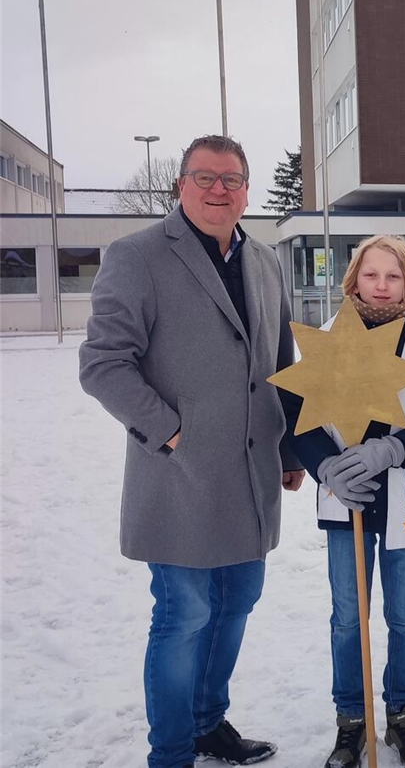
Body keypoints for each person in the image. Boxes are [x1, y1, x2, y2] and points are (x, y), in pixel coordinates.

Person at [78, 135, 305, 768]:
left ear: (246, 191)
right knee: (184, 615)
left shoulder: (264, 260)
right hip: (179, 477)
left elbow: (279, 363)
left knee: (238, 602)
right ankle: (172, 751)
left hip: (252, 473)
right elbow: (103, 364)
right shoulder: (138, 256)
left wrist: (289, 450)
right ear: (180, 185)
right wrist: (171, 431)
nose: (217, 190)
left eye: (231, 180)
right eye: (204, 177)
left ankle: (208, 724)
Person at [284, 235, 405, 768]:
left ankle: (403, 715)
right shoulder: (327, 341)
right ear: (354, 280)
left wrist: (396, 448)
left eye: (393, 276)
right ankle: (351, 720)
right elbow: (299, 420)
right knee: (347, 617)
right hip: (348, 503)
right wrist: (325, 466)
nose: (382, 286)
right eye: (371, 275)